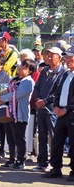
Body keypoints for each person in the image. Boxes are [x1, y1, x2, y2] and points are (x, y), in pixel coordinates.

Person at [0, 59, 36, 170]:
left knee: (19, 138)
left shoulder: (29, 82)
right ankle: (11, 159)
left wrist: (2, 99)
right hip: (9, 113)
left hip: (19, 113)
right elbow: (4, 89)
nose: (20, 68)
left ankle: (20, 160)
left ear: (30, 71)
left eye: (24, 67)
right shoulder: (14, 79)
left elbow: (17, 94)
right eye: (21, 65)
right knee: (10, 138)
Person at [42, 47, 74, 181]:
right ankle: (55, 168)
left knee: (73, 144)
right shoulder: (67, 74)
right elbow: (58, 91)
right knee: (56, 142)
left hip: (71, 114)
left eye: (70, 57)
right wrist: (56, 106)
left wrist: (66, 109)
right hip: (61, 114)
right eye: (66, 57)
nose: (66, 60)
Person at [32, 47, 66, 172]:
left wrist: (45, 101)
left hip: (53, 110)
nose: (49, 57)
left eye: (52, 55)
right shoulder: (44, 71)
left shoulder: (63, 73)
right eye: (48, 55)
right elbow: (37, 87)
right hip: (41, 110)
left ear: (59, 58)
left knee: (54, 138)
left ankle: (55, 163)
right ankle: (42, 162)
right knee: (42, 136)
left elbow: (58, 92)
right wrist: (39, 99)